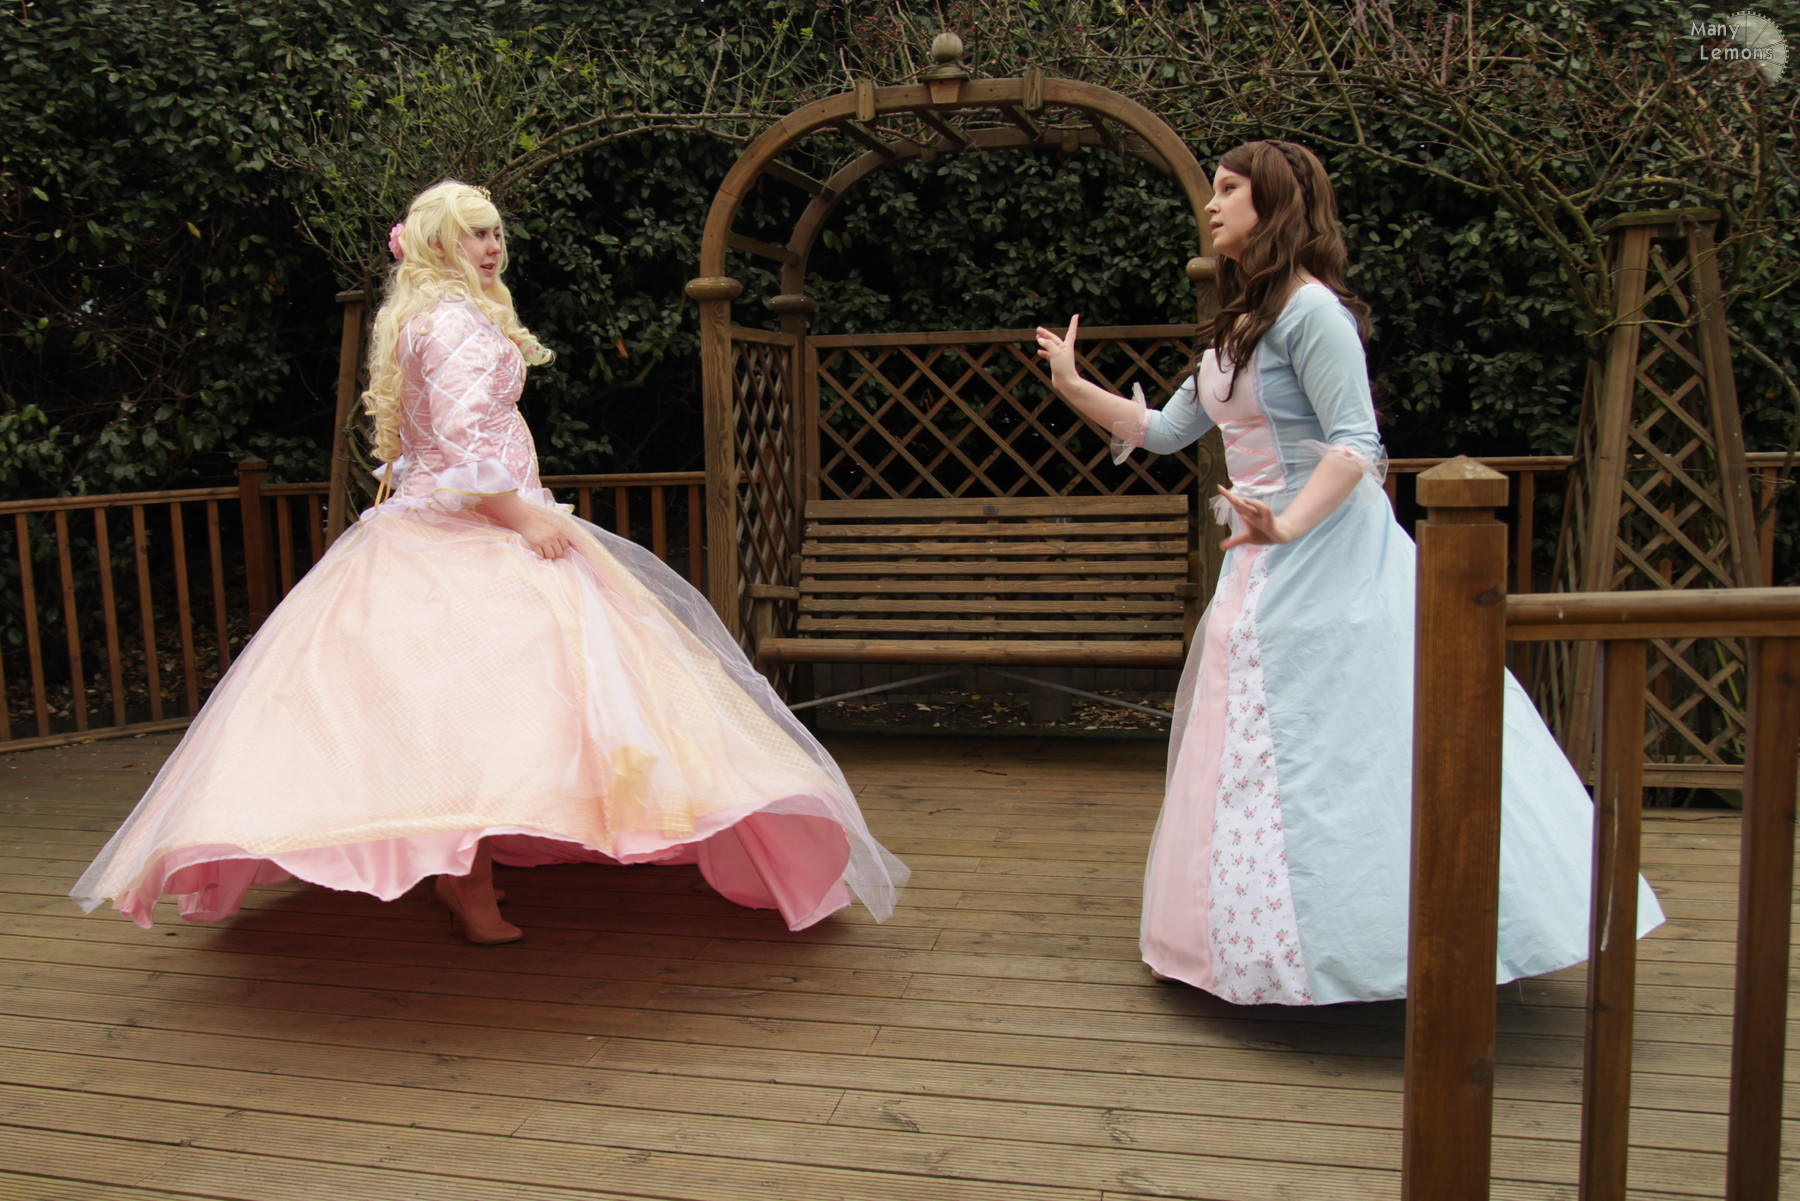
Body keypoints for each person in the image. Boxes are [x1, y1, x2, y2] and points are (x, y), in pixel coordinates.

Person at [72, 180, 906, 943]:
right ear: (438, 243)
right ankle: (467, 883)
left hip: (433, 524)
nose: (492, 245)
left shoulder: (425, 319)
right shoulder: (454, 323)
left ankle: (467, 871)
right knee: (474, 712)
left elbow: (429, 440)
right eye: (475, 233)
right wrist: (522, 515)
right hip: (470, 531)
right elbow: (466, 439)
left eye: (496, 232)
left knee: (464, 714)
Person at [1034, 140, 1661, 1005]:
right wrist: (1071, 382)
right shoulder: (1239, 324)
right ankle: (1247, 947)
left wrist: (1287, 523)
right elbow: (1165, 432)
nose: (1212, 204)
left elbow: (1356, 442)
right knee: (1252, 738)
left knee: (1344, 743)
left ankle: (1384, 943)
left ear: (1274, 203)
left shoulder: (1311, 313)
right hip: (1260, 560)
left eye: (1229, 189)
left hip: (1327, 553)